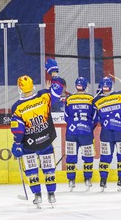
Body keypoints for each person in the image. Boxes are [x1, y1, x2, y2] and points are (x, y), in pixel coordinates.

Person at [10, 58, 65, 207]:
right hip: (46, 140)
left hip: (30, 144)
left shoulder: (17, 107)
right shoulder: (44, 96)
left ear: (20, 89)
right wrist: (54, 74)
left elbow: (18, 130)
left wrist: (17, 144)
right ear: (32, 86)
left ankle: (38, 195)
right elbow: (59, 89)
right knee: (49, 168)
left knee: (32, 170)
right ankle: (52, 194)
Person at [92, 77, 121, 191]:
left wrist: (99, 94)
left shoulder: (97, 101)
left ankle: (103, 180)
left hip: (106, 132)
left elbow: (94, 108)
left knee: (105, 156)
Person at [63, 76, 97, 191]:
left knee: (71, 156)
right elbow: (95, 117)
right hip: (86, 132)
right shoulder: (91, 99)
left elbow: (66, 117)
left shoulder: (69, 99)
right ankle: (87, 179)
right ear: (86, 86)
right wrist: (88, 127)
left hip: (71, 132)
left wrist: (74, 126)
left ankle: (71, 180)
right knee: (88, 156)